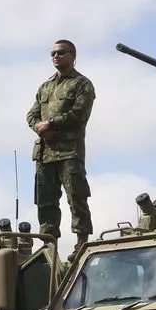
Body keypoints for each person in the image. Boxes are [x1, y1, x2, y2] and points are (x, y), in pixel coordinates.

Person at [26, 39, 96, 250]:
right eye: (53, 53)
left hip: (69, 152)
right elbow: (31, 115)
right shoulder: (45, 86)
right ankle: (48, 245)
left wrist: (51, 123)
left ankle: (81, 242)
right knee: (45, 201)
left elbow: (79, 113)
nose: (56, 56)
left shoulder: (82, 84)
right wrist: (41, 128)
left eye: (61, 52)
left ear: (73, 56)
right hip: (45, 152)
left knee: (76, 197)